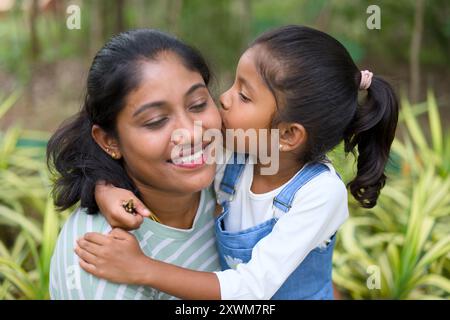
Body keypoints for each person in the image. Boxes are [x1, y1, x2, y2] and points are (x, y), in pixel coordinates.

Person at [75, 25, 399, 299]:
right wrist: (106, 187)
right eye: (233, 84)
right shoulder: (238, 156)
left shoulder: (319, 194)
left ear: (287, 135)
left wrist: (143, 269)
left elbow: (250, 289)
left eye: (244, 96)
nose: (224, 98)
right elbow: (145, 153)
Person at [47, 29, 223, 299]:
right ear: (109, 141)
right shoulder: (102, 258)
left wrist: (102, 185)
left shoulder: (231, 171)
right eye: (156, 121)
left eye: (198, 104)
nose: (193, 133)